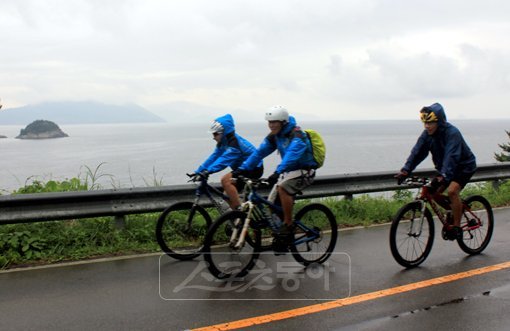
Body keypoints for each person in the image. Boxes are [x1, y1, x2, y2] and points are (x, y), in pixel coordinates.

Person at [395, 103, 477, 240]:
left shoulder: (452, 133)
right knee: (433, 193)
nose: (427, 126)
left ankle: (457, 228)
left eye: (431, 122)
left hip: (464, 167)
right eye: (425, 122)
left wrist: (444, 175)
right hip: (445, 169)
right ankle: (453, 208)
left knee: (452, 191)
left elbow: (451, 156)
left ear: (439, 121)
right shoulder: (427, 134)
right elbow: (417, 152)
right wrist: (405, 170)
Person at [234, 105, 318, 238]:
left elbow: (291, 155)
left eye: (274, 122)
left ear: (283, 122)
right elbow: (259, 153)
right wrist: (242, 169)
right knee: (271, 203)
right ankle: (281, 234)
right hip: (288, 171)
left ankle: (288, 225)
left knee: (282, 188)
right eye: (269, 122)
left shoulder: (297, 135)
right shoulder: (275, 136)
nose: (271, 125)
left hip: (304, 171)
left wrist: (278, 172)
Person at [194, 114, 263, 210]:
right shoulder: (223, 142)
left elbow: (224, 160)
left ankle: (239, 213)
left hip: (253, 167)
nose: (213, 137)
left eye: (215, 134)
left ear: (223, 132)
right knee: (227, 196)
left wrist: (208, 171)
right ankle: (239, 220)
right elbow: (213, 157)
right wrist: (198, 171)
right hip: (241, 169)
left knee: (225, 180)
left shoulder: (234, 143)